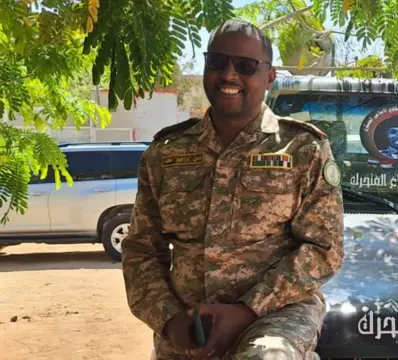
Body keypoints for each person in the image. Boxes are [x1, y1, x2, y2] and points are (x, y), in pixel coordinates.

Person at [121, 19, 345, 360]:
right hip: (189, 323)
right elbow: (141, 249)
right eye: (218, 62)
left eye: (245, 65)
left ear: (269, 78)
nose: (229, 75)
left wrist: (246, 310)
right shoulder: (166, 152)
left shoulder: (303, 150)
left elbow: (324, 249)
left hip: (276, 316)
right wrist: (170, 321)